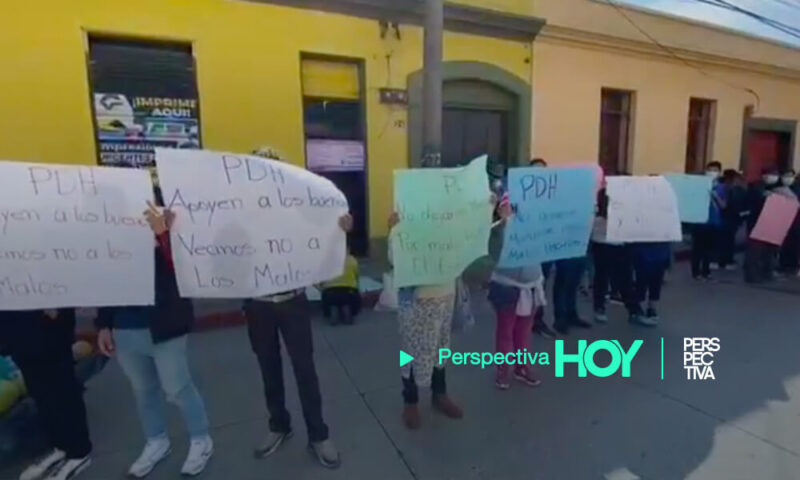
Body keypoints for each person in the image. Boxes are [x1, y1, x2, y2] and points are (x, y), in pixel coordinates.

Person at [96, 192, 213, 478]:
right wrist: (103, 324)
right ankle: (156, 440)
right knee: (143, 389)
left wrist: (163, 237)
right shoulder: (112, 233)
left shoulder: (174, 227)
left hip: (165, 323)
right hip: (125, 325)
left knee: (178, 387)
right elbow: (104, 278)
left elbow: (189, 271)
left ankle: (201, 440)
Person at [245, 146, 344, 469]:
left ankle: (318, 434)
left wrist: (340, 227)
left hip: (293, 301)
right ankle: (279, 426)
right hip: (258, 304)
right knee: (268, 369)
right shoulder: (238, 212)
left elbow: (323, 235)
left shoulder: (297, 211)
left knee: (305, 370)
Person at [388, 209, 468, 430]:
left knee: (441, 347)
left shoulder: (451, 218)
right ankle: (410, 400)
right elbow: (394, 259)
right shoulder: (407, 215)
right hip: (415, 300)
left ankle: (439, 393)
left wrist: (484, 209)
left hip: (445, 295)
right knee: (408, 352)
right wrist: (393, 230)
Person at [0, 309, 92, 480]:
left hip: (50, 328)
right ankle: (60, 447)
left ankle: (80, 452)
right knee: (41, 395)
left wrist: (60, 309)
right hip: (16, 332)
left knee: (64, 392)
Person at [487, 194, 544, 390]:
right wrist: (504, 221)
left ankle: (522, 367)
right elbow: (494, 249)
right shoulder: (497, 230)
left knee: (524, 330)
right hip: (506, 287)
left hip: (532, 285)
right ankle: (503, 369)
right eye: (508, 207)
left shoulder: (536, 226)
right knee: (506, 330)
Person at [591, 188, 644, 326]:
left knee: (624, 279)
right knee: (602, 278)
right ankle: (600, 308)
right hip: (603, 246)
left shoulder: (623, 211)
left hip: (620, 246)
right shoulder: (597, 214)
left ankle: (633, 310)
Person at [527, 157, 558, 338]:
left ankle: (537, 319)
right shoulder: (521, 192)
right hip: (528, 247)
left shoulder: (551, 196)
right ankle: (527, 319)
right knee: (528, 286)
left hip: (546, 247)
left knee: (541, 284)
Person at [744, 167, 780, 283]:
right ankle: (752, 275)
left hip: (772, 223)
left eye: (775, 174)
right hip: (757, 222)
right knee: (755, 251)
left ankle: (766, 273)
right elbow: (754, 202)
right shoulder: (756, 187)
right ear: (764, 175)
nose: (773, 177)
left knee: (768, 251)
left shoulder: (777, 187)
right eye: (770, 174)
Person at [690, 161, 725, 280]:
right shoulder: (699, 185)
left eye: (715, 170)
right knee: (697, 249)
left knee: (709, 249)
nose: (712, 173)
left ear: (719, 173)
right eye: (710, 170)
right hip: (700, 221)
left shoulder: (721, 187)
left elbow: (724, 205)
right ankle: (695, 272)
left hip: (714, 222)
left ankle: (706, 271)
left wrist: (715, 196)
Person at [631, 241, 671, 325]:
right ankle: (640, 309)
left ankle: (651, 308)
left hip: (658, 252)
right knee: (642, 283)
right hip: (643, 251)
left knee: (655, 283)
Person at [319, 250, 361, 325]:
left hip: (330, 291)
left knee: (330, 300)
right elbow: (356, 275)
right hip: (348, 290)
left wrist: (321, 288)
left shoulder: (325, 260)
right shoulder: (352, 259)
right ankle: (347, 310)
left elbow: (321, 278)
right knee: (348, 299)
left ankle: (333, 310)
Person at [718, 170, 747, 270]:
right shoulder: (731, 189)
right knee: (727, 240)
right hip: (730, 218)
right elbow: (731, 205)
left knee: (726, 240)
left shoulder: (728, 188)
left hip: (728, 218)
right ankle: (725, 260)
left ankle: (724, 260)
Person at [777, 169, 800, 275]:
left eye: (790, 176)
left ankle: (793, 265)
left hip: (796, 220)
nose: (787, 178)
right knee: (784, 243)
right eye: (785, 176)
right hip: (782, 219)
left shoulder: (797, 188)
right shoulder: (778, 187)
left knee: (795, 243)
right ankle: (783, 265)